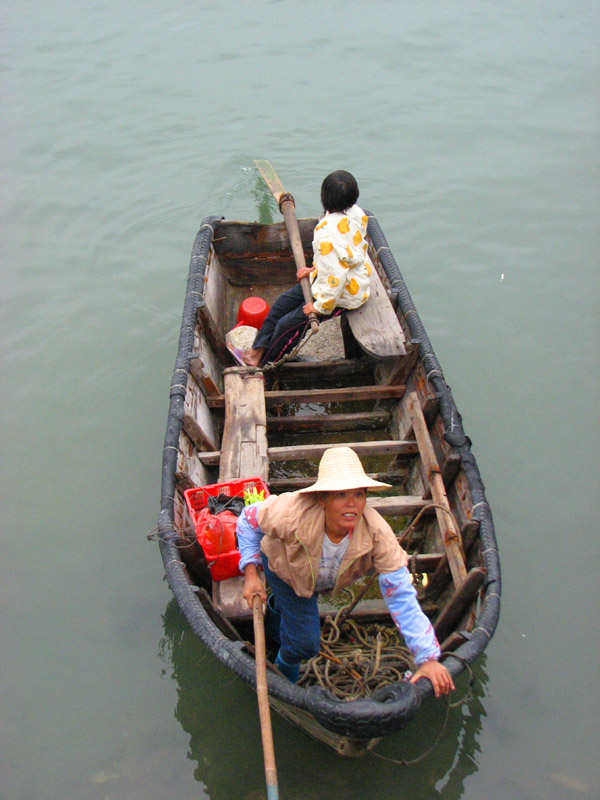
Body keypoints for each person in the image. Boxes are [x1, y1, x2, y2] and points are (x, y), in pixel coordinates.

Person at [236, 446, 455, 697]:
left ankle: (278, 620)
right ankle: (284, 670)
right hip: (283, 568)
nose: (351, 504)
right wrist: (251, 575)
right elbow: (247, 520)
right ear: (323, 498)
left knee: (297, 619)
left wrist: (426, 657)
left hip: (318, 578)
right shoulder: (292, 512)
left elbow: (401, 595)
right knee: (305, 643)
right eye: (340, 494)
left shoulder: (377, 534)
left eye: (359, 494)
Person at [241, 170, 373, 367]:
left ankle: (267, 364)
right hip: (331, 280)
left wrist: (318, 308)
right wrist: (314, 269)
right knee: (281, 304)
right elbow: (345, 254)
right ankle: (256, 351)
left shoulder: (327, 232)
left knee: (288, 325)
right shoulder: (357, 213)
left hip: (344, 294)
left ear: (324, 199)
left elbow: (336, 275)